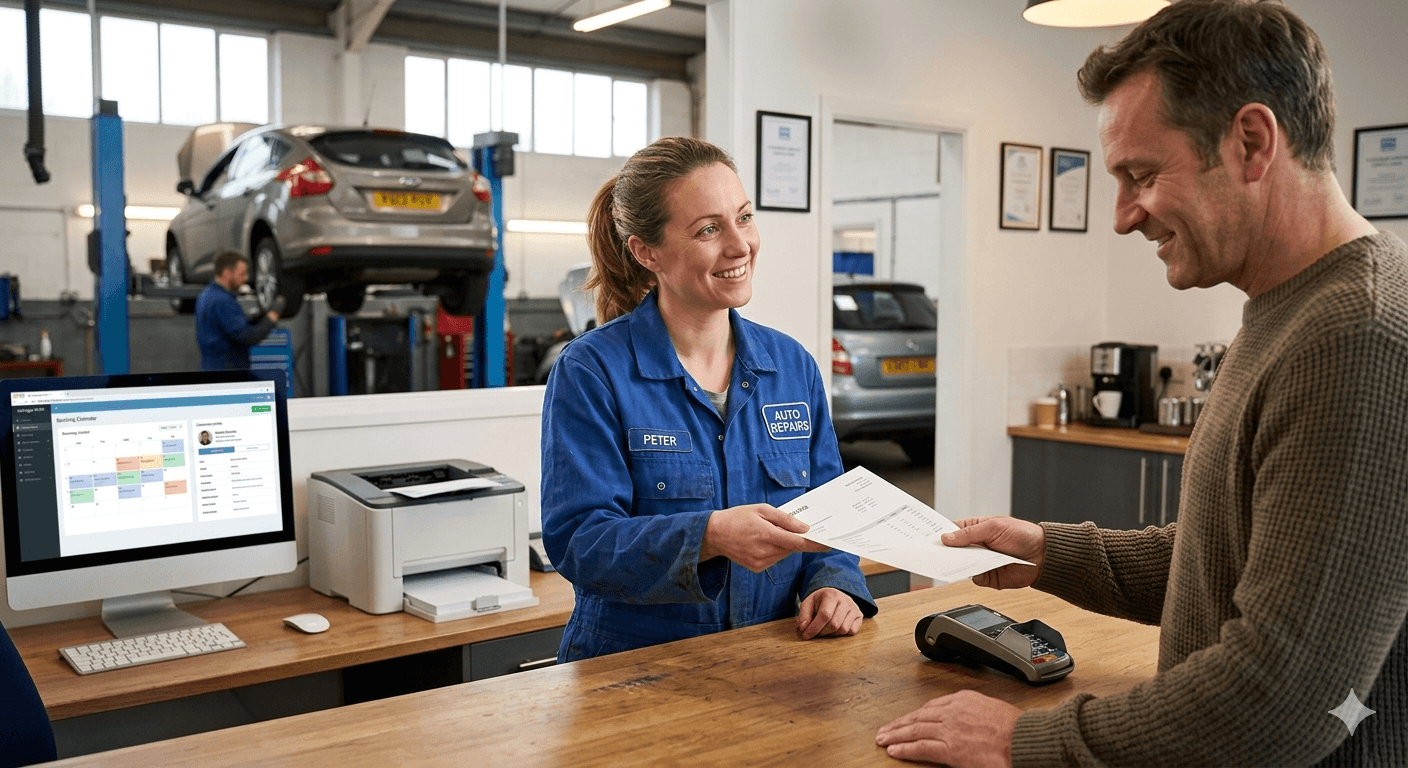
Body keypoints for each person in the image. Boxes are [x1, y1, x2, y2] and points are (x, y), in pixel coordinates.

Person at [876, 1, 1408, 766]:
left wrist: (1025, 740)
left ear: (1251, 143)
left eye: (1142, 175)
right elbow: (1228, 562)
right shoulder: (1293, 311)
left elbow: (1285, 697)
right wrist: (1049, 553)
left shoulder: (1359, 337)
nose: (1124, 217)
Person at [540, 136, 878, 662]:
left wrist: (832, 584)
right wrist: (708, 536)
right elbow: (580, 543)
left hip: (772, 661)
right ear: (646, 251)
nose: (740, 245)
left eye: (743, 218)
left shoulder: (791, 367)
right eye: (708, 229)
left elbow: (829, 516)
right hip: (635, 671)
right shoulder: (591, 372)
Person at [195, 250, 283, 370]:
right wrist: (271, 317)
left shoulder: (207, 295)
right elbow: (247, 336)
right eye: (242, 274)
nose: (246, 278)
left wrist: (257, 319)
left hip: (212, 368)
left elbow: (234, 329)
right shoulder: (222, 301)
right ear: (227, 273)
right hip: (226, 374)